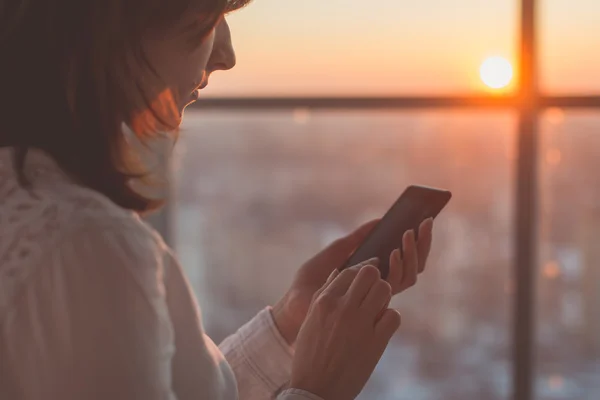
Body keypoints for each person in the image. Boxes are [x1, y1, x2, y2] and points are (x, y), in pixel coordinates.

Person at [0, 1, 435, 399]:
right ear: (120, 21)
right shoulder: (87, 246)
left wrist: (288, 324)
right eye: (212, 16)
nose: (226, 55)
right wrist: (318, 388)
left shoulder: (39, 208)